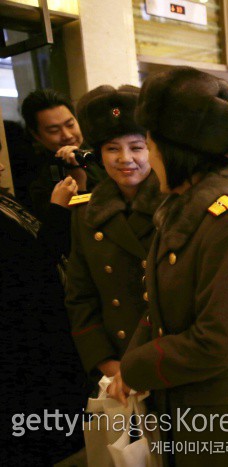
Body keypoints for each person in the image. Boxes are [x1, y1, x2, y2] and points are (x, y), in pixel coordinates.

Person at [110, 66, 228, 466]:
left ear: (175, 150)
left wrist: (136, 366)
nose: (148, 157)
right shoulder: (180, 210)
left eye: (149, 144)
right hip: (189, 407)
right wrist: (130, 363)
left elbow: (217, 341)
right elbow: (160, 304)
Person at [65, 85, 163, 383]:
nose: (125, 158)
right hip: (116, 361)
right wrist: (106, 363)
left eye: (136, 147)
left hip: (165, 358)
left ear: (153, 149)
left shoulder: (176, 205)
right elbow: (81, 296)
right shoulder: (86, 213)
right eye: (112, 149)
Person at [0, 159, 86, 464]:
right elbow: (32, 265)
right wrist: (58, 209)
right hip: (23, 334)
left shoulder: (5, 200)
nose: (1, 166)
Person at [20, 89, 106, 220]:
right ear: (36, 135)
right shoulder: (37, 178)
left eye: (70, 124)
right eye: (54, 130)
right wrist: (79, 186)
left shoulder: (101, 150)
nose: (67, 135)